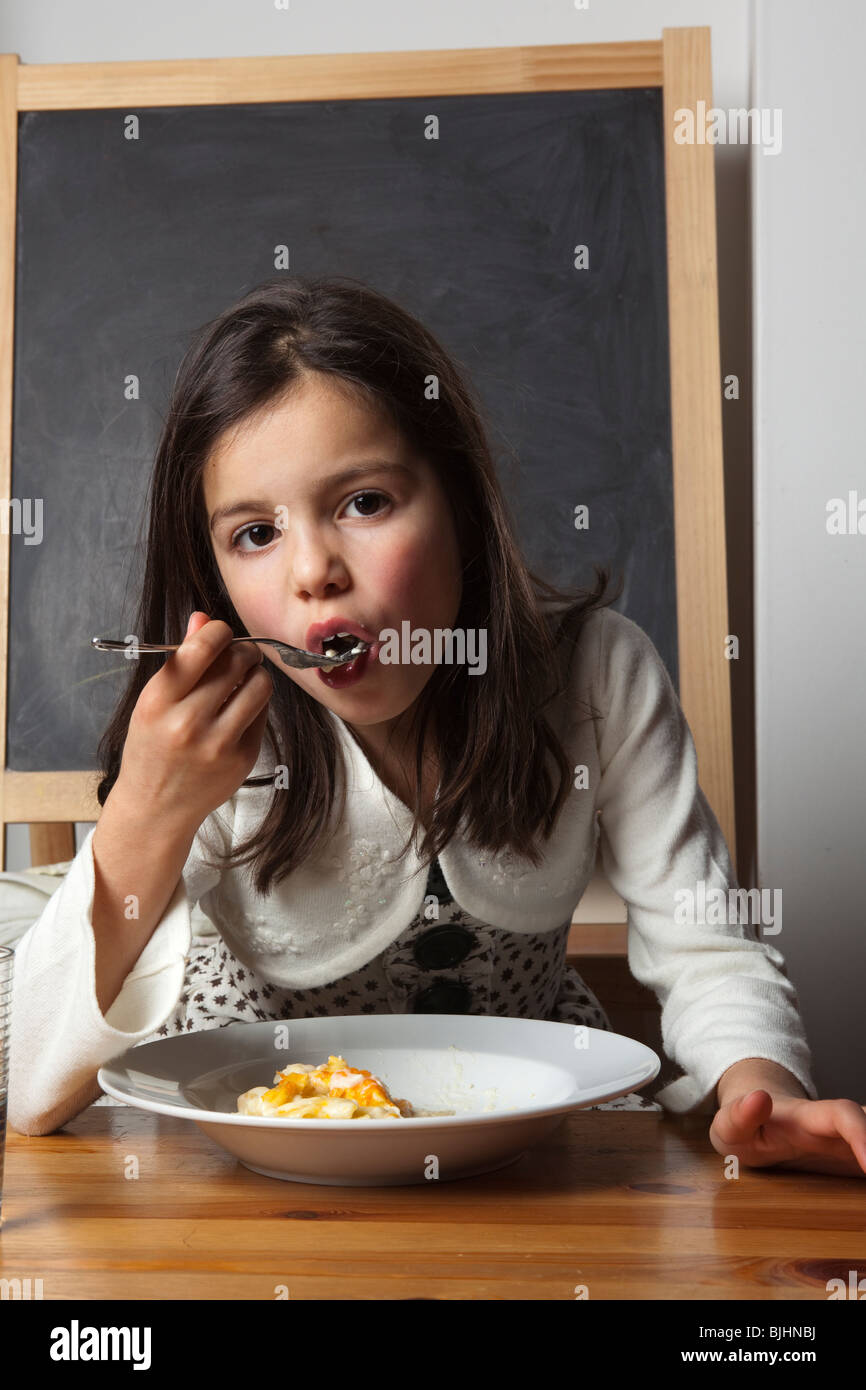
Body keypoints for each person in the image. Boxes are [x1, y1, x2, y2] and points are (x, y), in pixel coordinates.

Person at [7, 275, 866, 1177]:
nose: (313, 572)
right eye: (255, 534)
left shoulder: (597, 675)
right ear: (216, 577)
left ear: (461, 502)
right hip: (233, 1168)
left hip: (520, 1167)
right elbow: (33, 1093)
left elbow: (705, 942)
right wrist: (149, 807)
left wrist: (763, 1091)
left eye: (365, 503)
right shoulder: (216, 734)